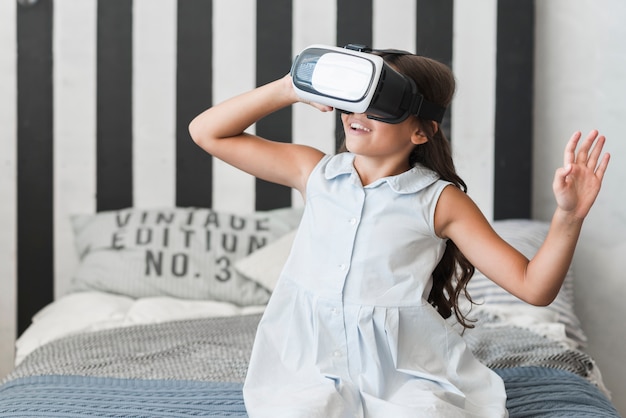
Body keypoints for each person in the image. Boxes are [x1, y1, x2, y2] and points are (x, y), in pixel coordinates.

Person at [188, 48, 610, 418]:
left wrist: (568, 216)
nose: (358, 113)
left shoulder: (439, 201)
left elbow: (534, 287)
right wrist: (292, 87)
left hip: (403, 370)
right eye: (354, 99)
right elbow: (206, 132)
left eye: (380, 103)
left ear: (421, 130)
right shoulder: (313, 172)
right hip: (308, 366)